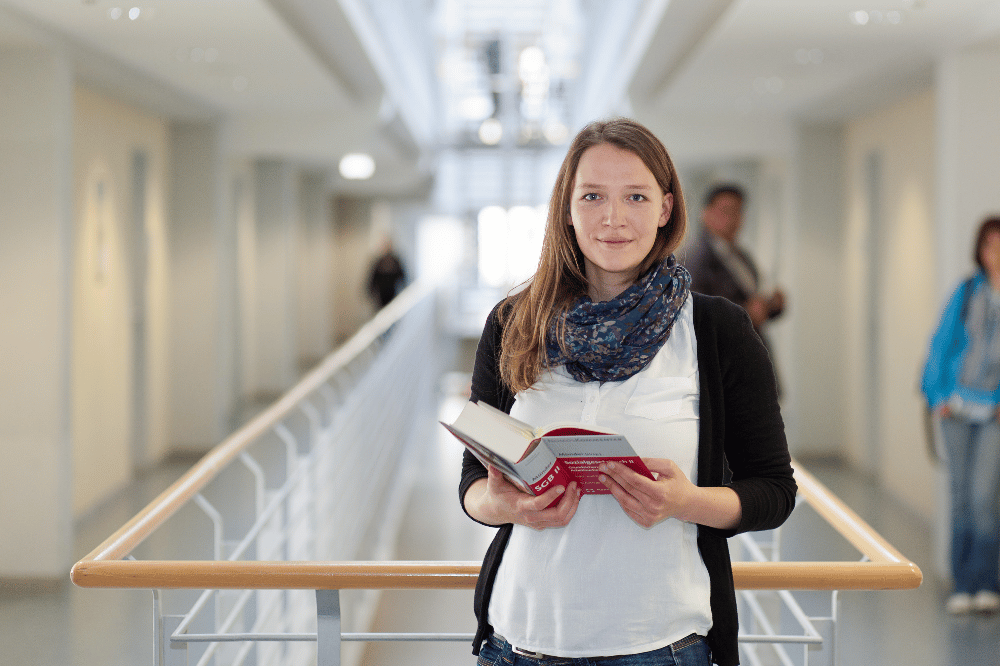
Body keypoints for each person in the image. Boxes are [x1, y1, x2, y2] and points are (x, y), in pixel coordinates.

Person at [458, 118, 797, 666]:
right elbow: (474, 483)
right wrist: (500, 505)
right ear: (567, 209)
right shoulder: (512, 323)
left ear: (665, 209)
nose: (613, 218)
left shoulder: (716, 330)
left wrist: (686, 503)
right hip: (514, 644)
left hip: (661, 647)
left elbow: (775, 491)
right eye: (592, 196)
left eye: (635, 196)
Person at [921, 216, 1000, 615]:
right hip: (956, 409)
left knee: (984, 498)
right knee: (960, 498)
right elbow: (942, 342)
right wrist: (937, 396)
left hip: (993, 414)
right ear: (980, 250)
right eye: (989, 245)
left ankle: (986, 582)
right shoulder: (967, 291)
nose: (995, 253)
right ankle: (962, 583)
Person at [682, 184, 786, 359]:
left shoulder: (740, 255)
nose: (732, 219)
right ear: (706, 214)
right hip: (721, 355)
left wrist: (771, 305)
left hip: (748, 348)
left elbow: (752, 300)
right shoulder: (695, 257)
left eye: (738, 212)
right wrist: (744, 313)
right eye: (725, 211)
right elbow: (693, 310)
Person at [367, 237, 407, 308]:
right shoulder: (378, 262)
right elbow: (372, 281)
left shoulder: (395, 261)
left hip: (394, 296)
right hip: (380, 299)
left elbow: (402, 278)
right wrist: (371, 294)